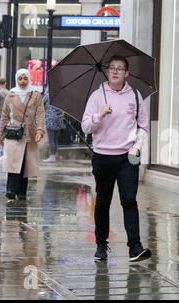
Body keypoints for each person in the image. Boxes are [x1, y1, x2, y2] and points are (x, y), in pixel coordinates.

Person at [81, 55, 151, 262]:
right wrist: (99, 115)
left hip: (127, 157)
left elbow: (143, 126)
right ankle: (101, 245)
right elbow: (86, 127)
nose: (115, 71)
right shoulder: (97, 96)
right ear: (107, 71)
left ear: (126, 73)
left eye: (120, 68)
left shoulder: (136, 96)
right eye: (112, 68)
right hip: (102, 156)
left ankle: (135, 247)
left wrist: (137, 147)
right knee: (103, 201)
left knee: (129, 201)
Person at [0, 69, 45, 202]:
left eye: (25, 78)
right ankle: (11, 190)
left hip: (29, 133)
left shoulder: (36, 95)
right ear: (16, 79)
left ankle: (22, 192)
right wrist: (1, 134)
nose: (23, 81)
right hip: (14, 132)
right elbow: (4, 115)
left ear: (29, 79)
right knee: (13, 162)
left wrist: (40, 131)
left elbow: (40, 114)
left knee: (26, 164)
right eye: (20, 78)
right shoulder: (10, 95)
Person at [42, 87, 66, 162]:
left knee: (51, 140)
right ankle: (55, 155)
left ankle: (52, 157)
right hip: (59, 120)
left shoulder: (47, 96)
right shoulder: (60, 96)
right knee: (55, 139)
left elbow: (41, 105)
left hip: (50, 120)